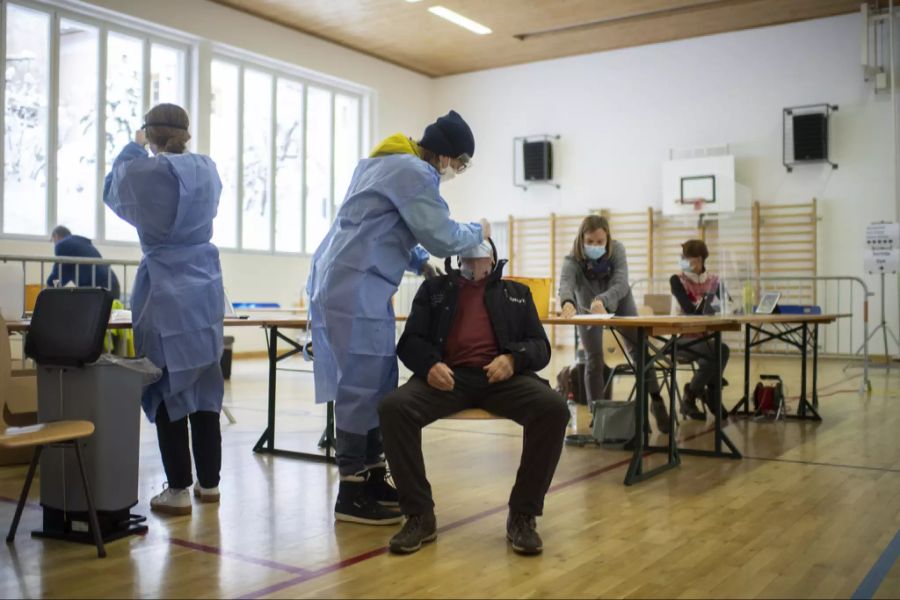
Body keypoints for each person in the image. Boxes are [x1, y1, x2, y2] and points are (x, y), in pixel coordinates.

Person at [307, 110, 492, 526]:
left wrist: (421, 264)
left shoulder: (380, 164)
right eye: (459, 164)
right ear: (445, 155)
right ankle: (352, 491)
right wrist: (480, 230)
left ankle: (371, 477)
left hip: (350, 281)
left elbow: (384, 229)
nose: (454, 172)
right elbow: (443, 234)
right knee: (359, 385)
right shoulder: (413, 171)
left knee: (376, 382)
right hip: (353, 287)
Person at [379, 240, 569, 555]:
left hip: (502, 378)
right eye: (467, 257)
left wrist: (513, 359)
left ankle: (523, 515)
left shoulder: (516, 294)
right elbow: (410, 341)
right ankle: (419, 515)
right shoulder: (434, 290)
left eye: (481, 257)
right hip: (447, 378)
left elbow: (540, 346)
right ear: (457, 258)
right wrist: (429, 365)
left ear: (493, 260)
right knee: (394, 409)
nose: (474, 264)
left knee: (554, 409)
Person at [103, 103, 225, 516]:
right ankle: (210, 485)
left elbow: (112, 188)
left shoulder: (144, 172)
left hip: (164, 288)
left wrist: (132, 146)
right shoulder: (207, 169)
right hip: (204, 287)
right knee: (205, 387)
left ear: (149, 134)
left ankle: (177, 489)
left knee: (166, 385)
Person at [558, 215, 670, 434]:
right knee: (594, 360)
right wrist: (567, 302)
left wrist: (603, 300)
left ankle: (656, 401)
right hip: (588, 309)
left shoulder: (617, 250)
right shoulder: (572, 260)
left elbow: (620, 283)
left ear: (607, 239)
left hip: (619, 301)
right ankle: (598, 414)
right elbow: (566, 284)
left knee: (639, 351)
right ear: (581, 239)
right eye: (590, 241)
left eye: (600, 242)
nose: (595, 246)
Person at [669, 239, 730, 420]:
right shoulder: (677, 280)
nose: (686, 263)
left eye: (690, 260)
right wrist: (709, 305)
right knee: (715, 351)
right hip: (680, 338)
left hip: (704, 338)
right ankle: (709, 396)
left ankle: (693, 394)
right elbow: (689, 310)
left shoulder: (714, 281)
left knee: (720, 351)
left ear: (701, 259)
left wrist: (719, 307)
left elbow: (727, 305)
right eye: (683, 259)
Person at [47, 226, 121, 300]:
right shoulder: (80, 243)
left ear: (55, 236)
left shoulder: (62, 245)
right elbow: (65, 274)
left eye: (53, 241)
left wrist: (48, 288)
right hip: (111, 286)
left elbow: (58, 273)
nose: (54, 244)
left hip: (99, 290)